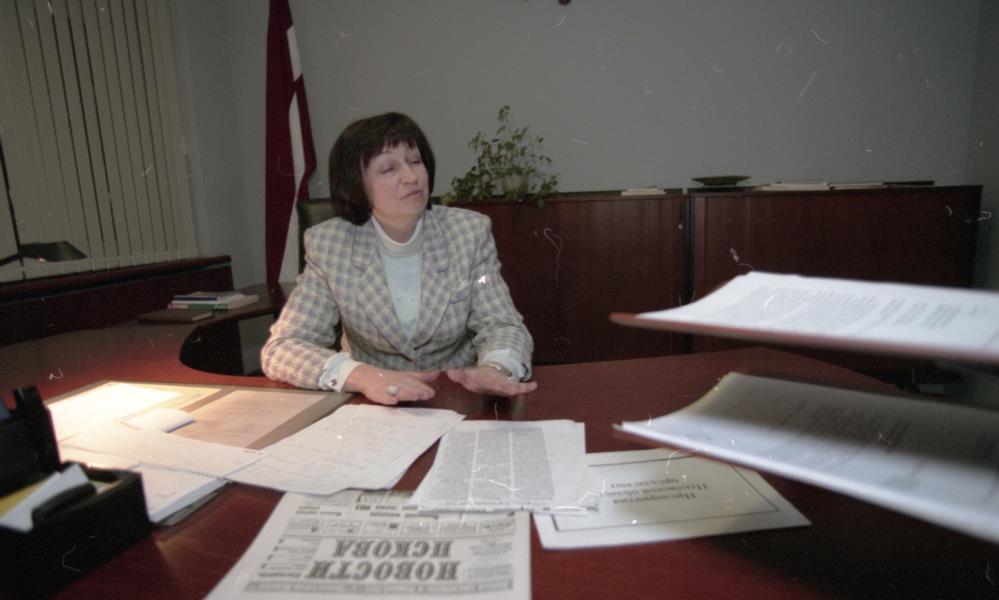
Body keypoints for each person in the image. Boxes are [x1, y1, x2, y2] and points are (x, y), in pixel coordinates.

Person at [261, 112, 537, 405]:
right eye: (389, 168)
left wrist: (496, 368)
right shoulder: (330, 244)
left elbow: (503, 325)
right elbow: (283, 347)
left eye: (415, 161)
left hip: (456, 398)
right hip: (372, 403)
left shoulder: (468, 232)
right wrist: (363, 376)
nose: (411, 177)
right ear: (356, 184)